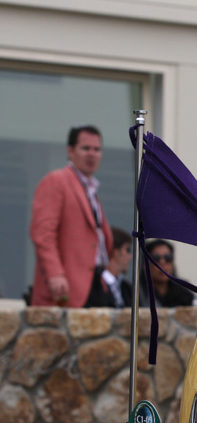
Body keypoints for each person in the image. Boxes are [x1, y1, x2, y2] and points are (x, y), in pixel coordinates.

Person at [29, 125, 114, 308]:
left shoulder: (90, 190)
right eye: (85, 148)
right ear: (70, 151)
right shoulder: (56, 181)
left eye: (96, 149)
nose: (91, 154)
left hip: (95, 283)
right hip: (66, 288)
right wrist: (55, 274)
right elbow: (43, 234)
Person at [85, 226, 133, 308]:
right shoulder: (92, 286)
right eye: (128, 250)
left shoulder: (127, 288)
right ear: (116, 252)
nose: (130, 256)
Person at [140, 239, 195, 307]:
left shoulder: (185, 292)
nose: (162, 263)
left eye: (168, 258)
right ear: (145, 265)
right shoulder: (136, 294)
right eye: (156, 258)